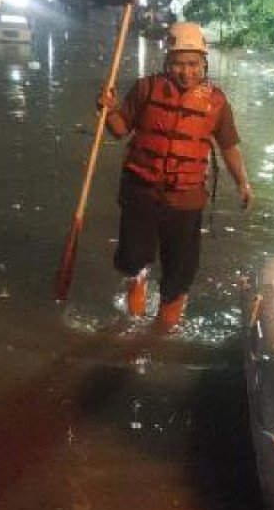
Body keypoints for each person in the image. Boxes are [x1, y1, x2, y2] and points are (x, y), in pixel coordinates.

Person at [97, 21, 253, 330]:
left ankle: (162, 333)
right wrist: (109, 111)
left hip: (185, 199)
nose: (186, 72)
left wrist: (243, 183)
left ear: (204, 63)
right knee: (132, 258)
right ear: (167, 62)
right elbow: (119, 130)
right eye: (179, 64)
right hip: (141, 192)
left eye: (193, 64)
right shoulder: (145, 89)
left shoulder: (217, 102)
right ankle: (133, 316)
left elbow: (229, 147)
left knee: (180, 272)